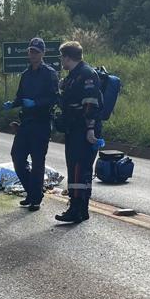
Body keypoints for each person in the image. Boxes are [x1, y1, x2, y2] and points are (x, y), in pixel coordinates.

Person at [2, 37, 59, 211]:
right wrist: (13, 103)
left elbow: (54, 97)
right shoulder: (26, 74)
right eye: (31, 51)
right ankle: (32, 192)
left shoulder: (49, 73)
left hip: (41, 122)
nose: (33, 54)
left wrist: (36, 103)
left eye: (36, 51)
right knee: (17, 157)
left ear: (42, 53)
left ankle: (35, 198)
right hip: (26, 122)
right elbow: (20, 96)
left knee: (38, 161)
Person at [55, 41, 102, 224]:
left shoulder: (87, 75)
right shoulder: (73, 76)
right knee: (77, 169)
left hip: (84, 130)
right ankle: (81, 209)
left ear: (67, 57)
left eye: (62, 57)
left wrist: (90, 130)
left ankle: (77, 208)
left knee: (78, 169)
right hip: (74, 129)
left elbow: (91, 105)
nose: (61, 61)